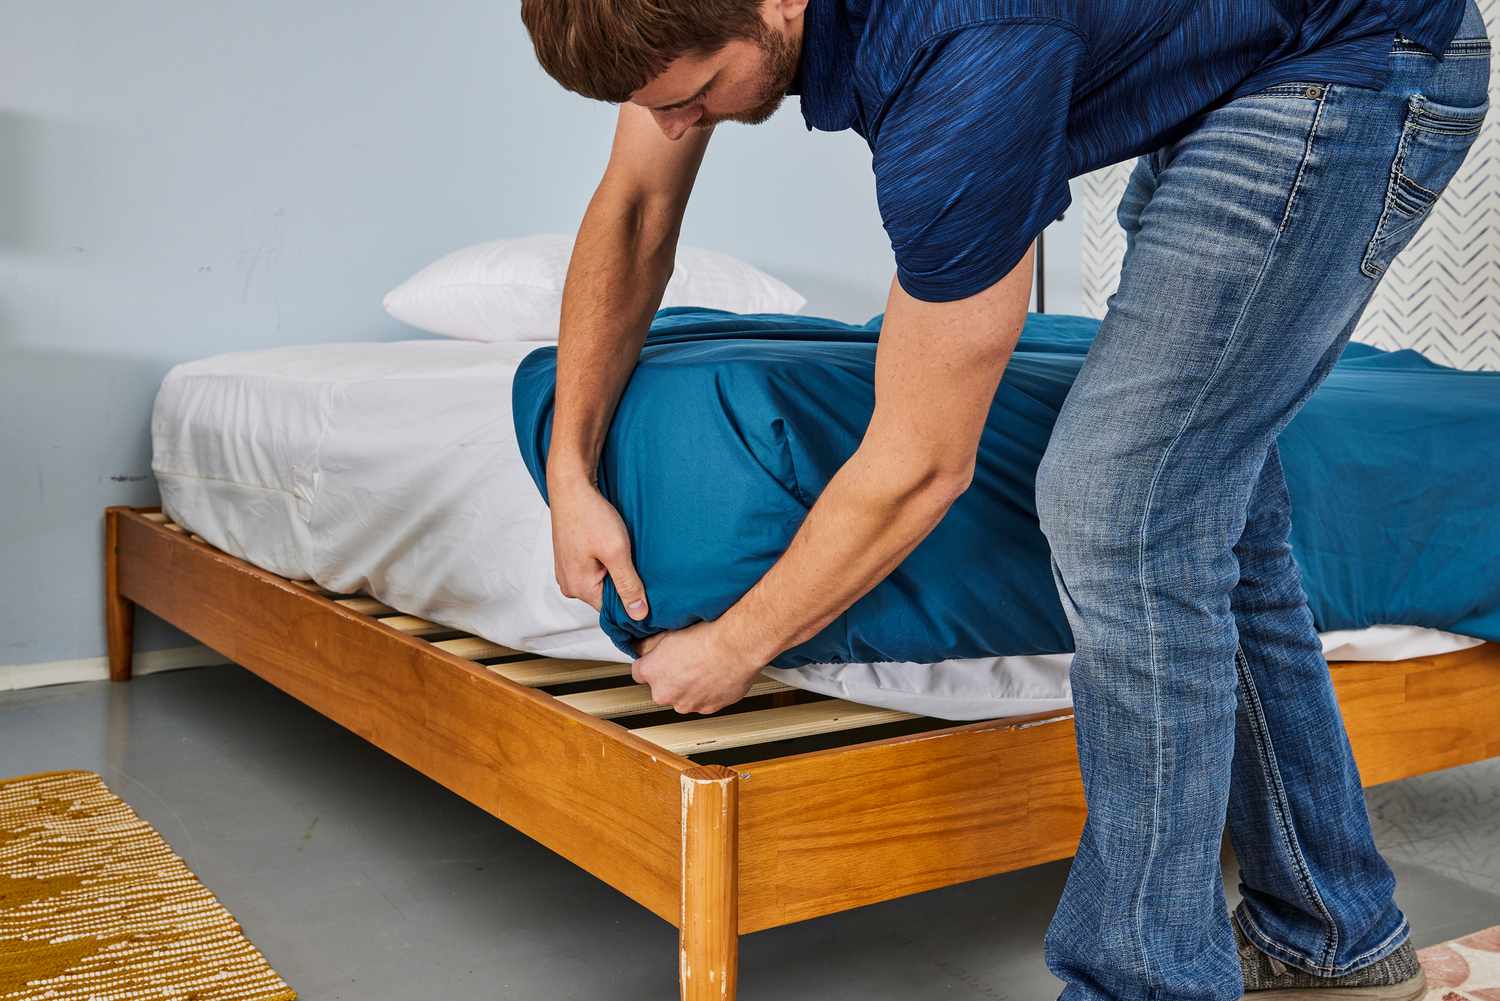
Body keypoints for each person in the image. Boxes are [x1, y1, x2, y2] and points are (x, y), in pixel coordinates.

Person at [518, 1, 1491, 998]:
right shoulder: (688, 17)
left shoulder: (962, 70)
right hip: (1245, 52)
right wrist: (569, 467)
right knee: (1197, 497)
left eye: (694, 98)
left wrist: (732, 647)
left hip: (1361, 51)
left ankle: (1143, 981)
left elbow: (920, 460)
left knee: (1120, 498)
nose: (678, 125)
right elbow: (637, 205)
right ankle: (1330, 936)